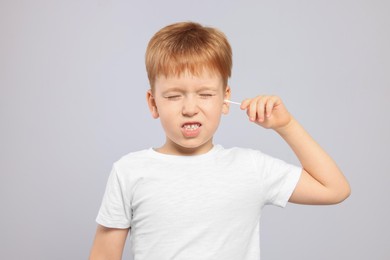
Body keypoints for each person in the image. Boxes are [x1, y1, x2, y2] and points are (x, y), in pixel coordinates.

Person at [89, 21, 350, 260]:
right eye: (173, 96)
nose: (190, 108)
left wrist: (286, 126)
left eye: (205, 94)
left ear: (225, 100)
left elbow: (334, 189)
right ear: (153, 102)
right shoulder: (129, 172)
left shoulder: (251, 167)